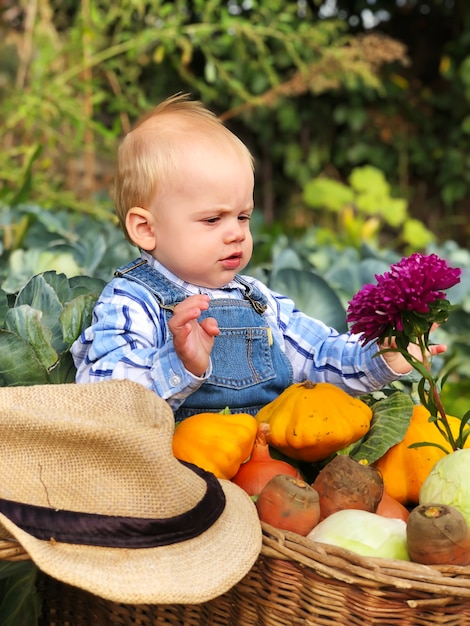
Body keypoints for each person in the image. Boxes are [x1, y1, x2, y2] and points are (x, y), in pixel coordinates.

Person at [71, 93, 445, 421]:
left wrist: (383, 356)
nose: (236, 232)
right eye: (213, 219)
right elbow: (102, 396)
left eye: (243, 217)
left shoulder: (260, 300)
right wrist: (180, 363)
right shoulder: (133, 300)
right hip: (185, 474)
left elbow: (320, 358)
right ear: (146, 230)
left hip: (274, 473)